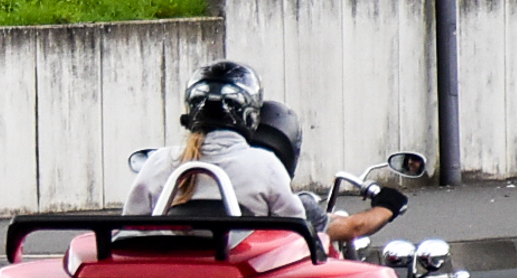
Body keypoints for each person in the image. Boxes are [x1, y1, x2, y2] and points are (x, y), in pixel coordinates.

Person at [123, 61, 310, 222]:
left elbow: (129, 230)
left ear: (191, 111)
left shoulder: (159, 161)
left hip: (169, 263)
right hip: (241, 263)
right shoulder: (266, 164)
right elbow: (295, 233)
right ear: (250, 116)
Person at [250, 100, 407, 246]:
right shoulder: (293, 205)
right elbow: (353, 228)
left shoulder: (230, 194)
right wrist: (387, 206)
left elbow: (328, 222)